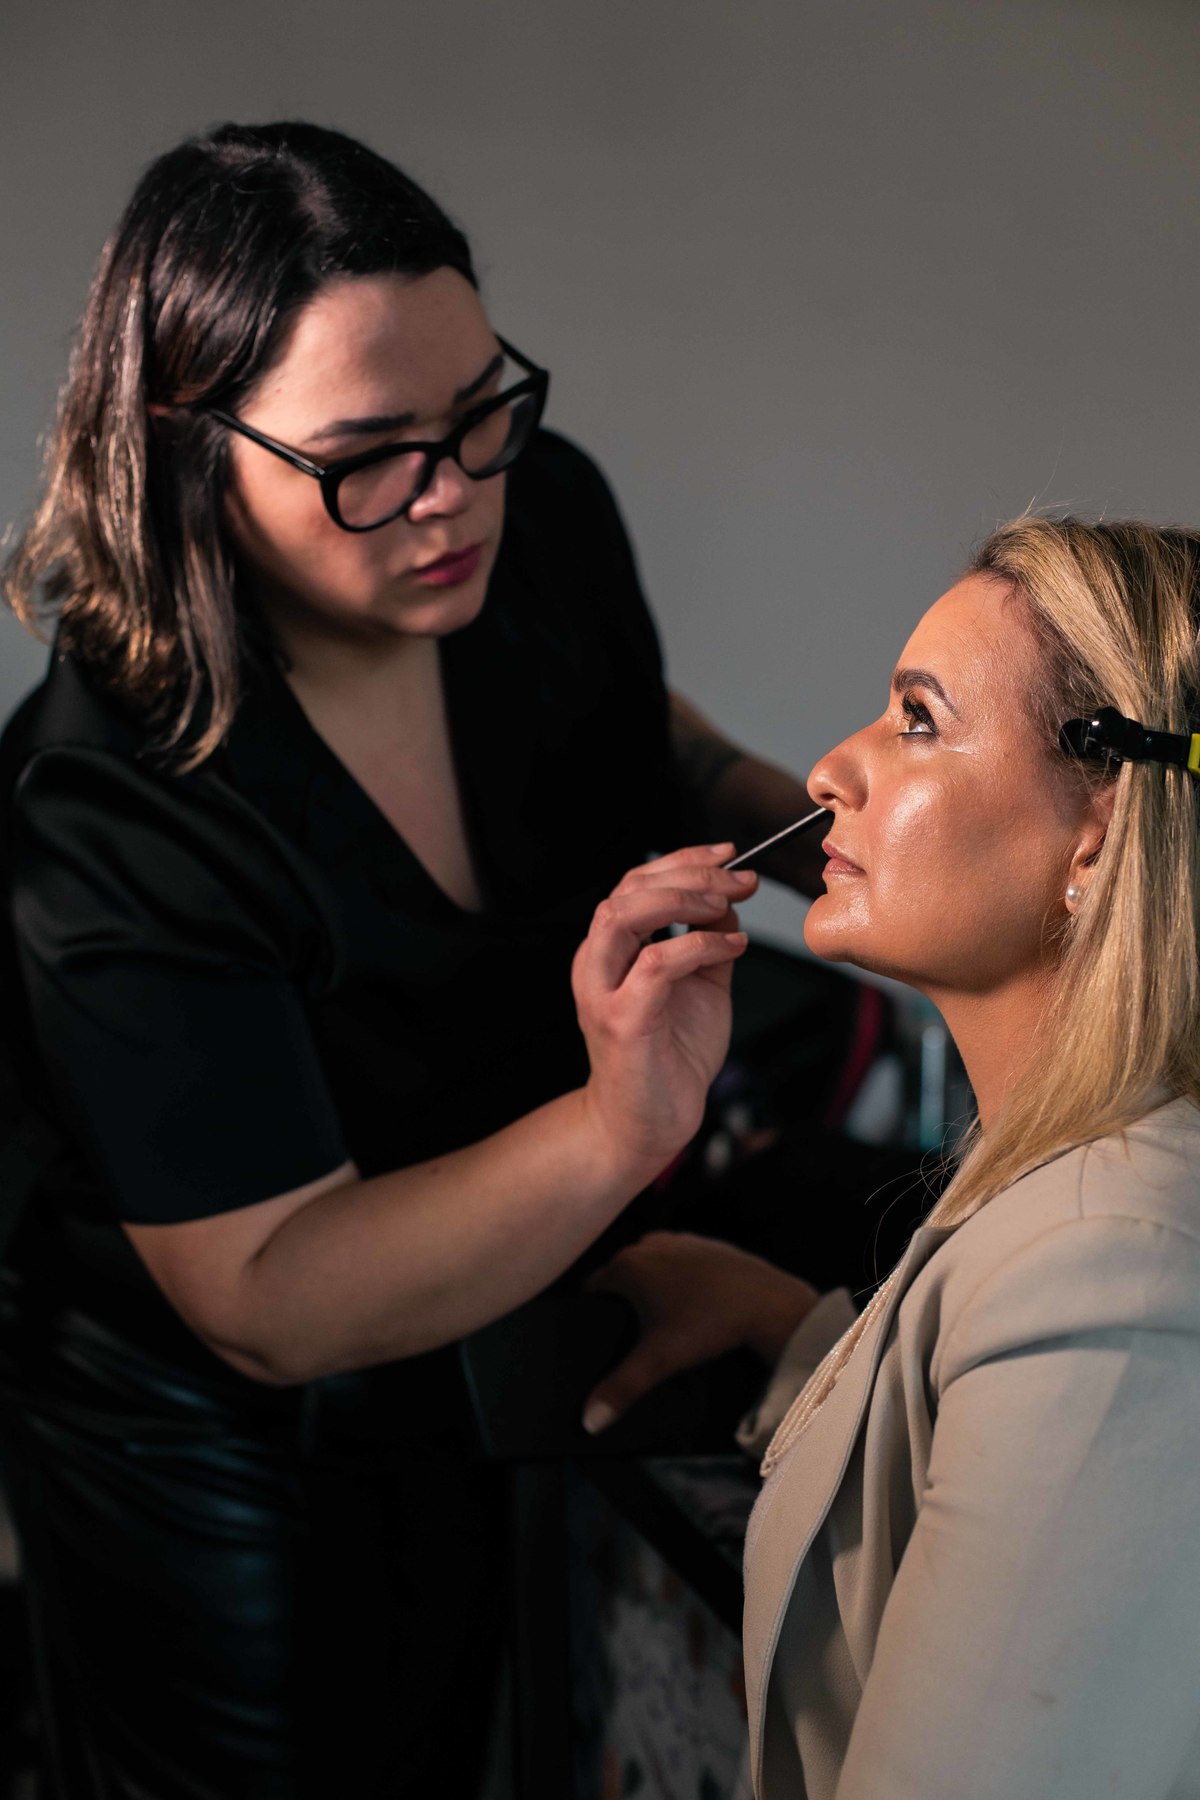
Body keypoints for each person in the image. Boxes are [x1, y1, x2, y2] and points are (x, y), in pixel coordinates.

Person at [0, 120, 829, 1797]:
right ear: (187, 448)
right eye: (370, 455)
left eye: (478, 413)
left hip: (501, 1290)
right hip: (224, 1434)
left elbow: (626, 731)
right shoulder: (106, 809)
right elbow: (270, 1296)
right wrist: (618, 1133)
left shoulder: (539, 514)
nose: (454, 497)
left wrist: (842, 831)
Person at [582, 518, 1200, 1799]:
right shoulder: (1067, 1188)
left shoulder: (1119, 1265)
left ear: (1097, 837)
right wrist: (795, 1336)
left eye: (918, 720)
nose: (825, 773)